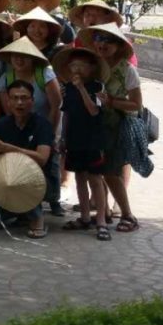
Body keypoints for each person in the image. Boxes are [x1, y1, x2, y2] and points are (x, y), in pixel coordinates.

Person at [79, 23, 143, 234]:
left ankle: (127, 215)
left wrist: (112, 102)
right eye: (98, 38)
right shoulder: (93, 67)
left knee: (110, 172)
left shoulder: (127, 70)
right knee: (95, 171)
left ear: (119, 45)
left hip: (118, 128)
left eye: (109, 40)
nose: (102, 44)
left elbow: (136, 104)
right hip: (94, 125)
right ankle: (103, 212)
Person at [0, 79, 53, 238]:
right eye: (14, 98)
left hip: (38, 180)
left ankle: (36, 217)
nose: (19, 102)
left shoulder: (42, 124)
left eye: (24, 98)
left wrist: (8, 148)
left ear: (32, 101)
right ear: (8, 102)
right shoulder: (2, 124)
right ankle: (20, 212)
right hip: (5, 181)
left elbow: (42, 158)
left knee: (21, 180)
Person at [0, 37, 64, 216]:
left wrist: (50, 133)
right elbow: (9, 110)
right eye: (15, 56)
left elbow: (56, 105)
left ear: (32, 57)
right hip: (21, 125)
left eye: (24, 56)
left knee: (51, 160)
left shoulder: (45, 75)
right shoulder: (5, 79)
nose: (19, 60)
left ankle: (54, 199)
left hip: (47, 122)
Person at [52, 48, 111, 241]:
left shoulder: (98, 87)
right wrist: (62, 138)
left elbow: (94, 111)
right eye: (73, 65)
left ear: (91, 68)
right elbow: (66, 114)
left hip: (93, 139)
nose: (76, 69)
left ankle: (101, 220)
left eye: (81, 65)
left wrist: (81, 89)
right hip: (74, 139)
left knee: (95, 179)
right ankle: (85, 217)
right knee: (79, 178)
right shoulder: (67, 88)